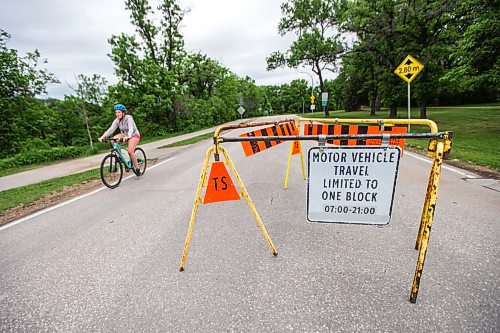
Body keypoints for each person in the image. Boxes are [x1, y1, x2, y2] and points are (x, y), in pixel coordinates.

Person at [98, 104, 142, 176]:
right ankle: (120, 157)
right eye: (116, 112)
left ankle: (137, 169)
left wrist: (128, 136)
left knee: (130, 151)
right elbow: (110, 130)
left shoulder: (129, 118)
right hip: (125, 135)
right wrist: (103, 136)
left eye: (119, 112)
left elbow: (131, 129)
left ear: (123, 113)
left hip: (134, 135)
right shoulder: (117, 121)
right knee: (113, 140)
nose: (117, 114)